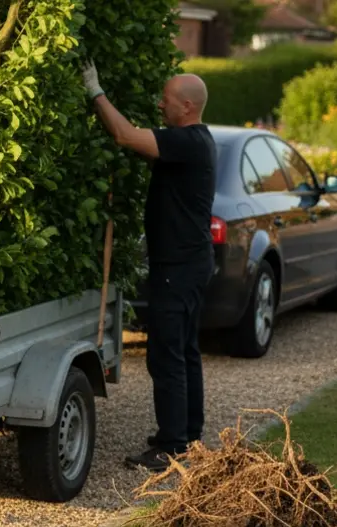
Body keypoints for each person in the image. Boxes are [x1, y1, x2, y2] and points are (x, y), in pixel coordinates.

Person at [83, 63, 216, 473]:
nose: (160, 104)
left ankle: (173, 446)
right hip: (189, 263)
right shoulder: (194, 140)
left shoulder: (188, 141)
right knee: (184, 351)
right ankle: (188, 435)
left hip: (178, 265)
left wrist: (95, 91)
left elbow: (124, 135)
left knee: (166, 355)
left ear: (188, 106)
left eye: (167, 100)